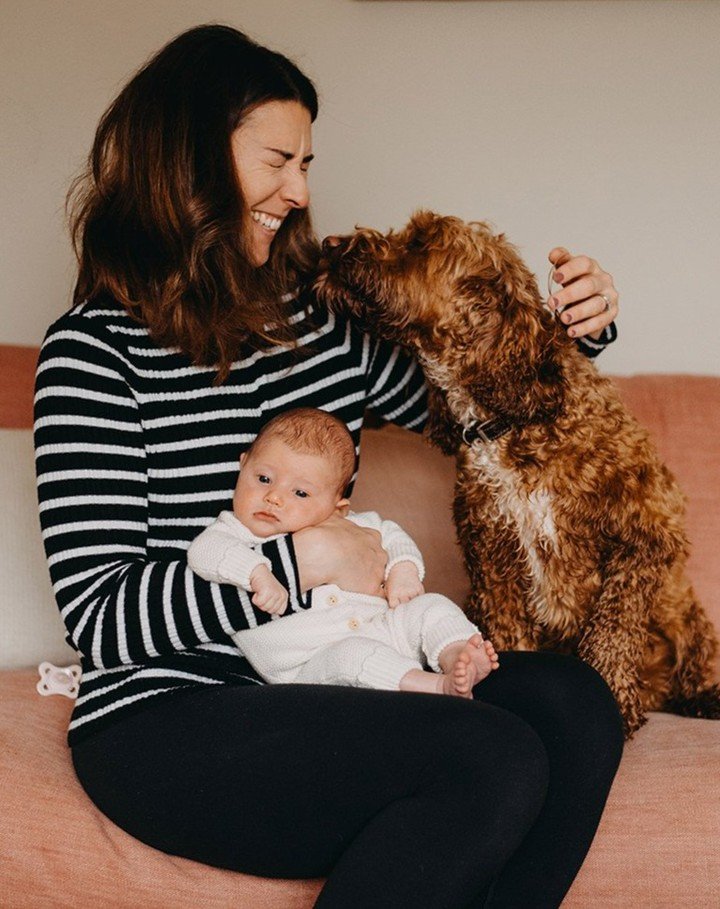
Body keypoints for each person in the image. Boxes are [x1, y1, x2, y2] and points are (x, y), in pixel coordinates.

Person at [34, 23, 624, 908]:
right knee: (489, 754)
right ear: (188, 155)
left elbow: (485, 410)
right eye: (278, 159)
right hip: (172, 716)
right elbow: (102, 612)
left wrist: (578, 328)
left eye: (307, 162)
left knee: (575, 703)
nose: (300, 191)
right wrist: (304, 558)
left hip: (328, 671)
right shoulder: (92, 350)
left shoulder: (318, 329)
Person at [188, 407, 500, 696]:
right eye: (263, 478)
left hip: (383, 627)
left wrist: (403, 571)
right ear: (243, 466)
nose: (274, 497)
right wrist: (258, 574)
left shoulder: (345, 522)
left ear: (337, 506)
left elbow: (391, 535)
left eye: (300, 492)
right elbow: (205, 553)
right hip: (313, 665)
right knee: (354, 656)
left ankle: (457, 654)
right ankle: (435, 686)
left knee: (431, 606)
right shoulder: (233, 532)